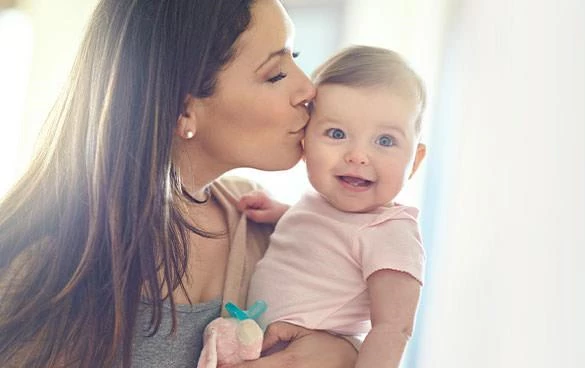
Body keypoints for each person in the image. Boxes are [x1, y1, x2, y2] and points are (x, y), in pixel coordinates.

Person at [0, 0, 358, 367]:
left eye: (294, 56)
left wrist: (345, 353)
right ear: (185, 110)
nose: (308, 88)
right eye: (275, 74)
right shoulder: (38, 271)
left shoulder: (262, 223)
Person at [201, 45, 428, 367]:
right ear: (305, 144)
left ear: (414, 161)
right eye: (337, 133)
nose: (358, 155)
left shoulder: (391, 233)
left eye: (385, 141)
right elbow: (324, 238)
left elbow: (394, 327)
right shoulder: (319, 205)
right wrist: (283, 214)